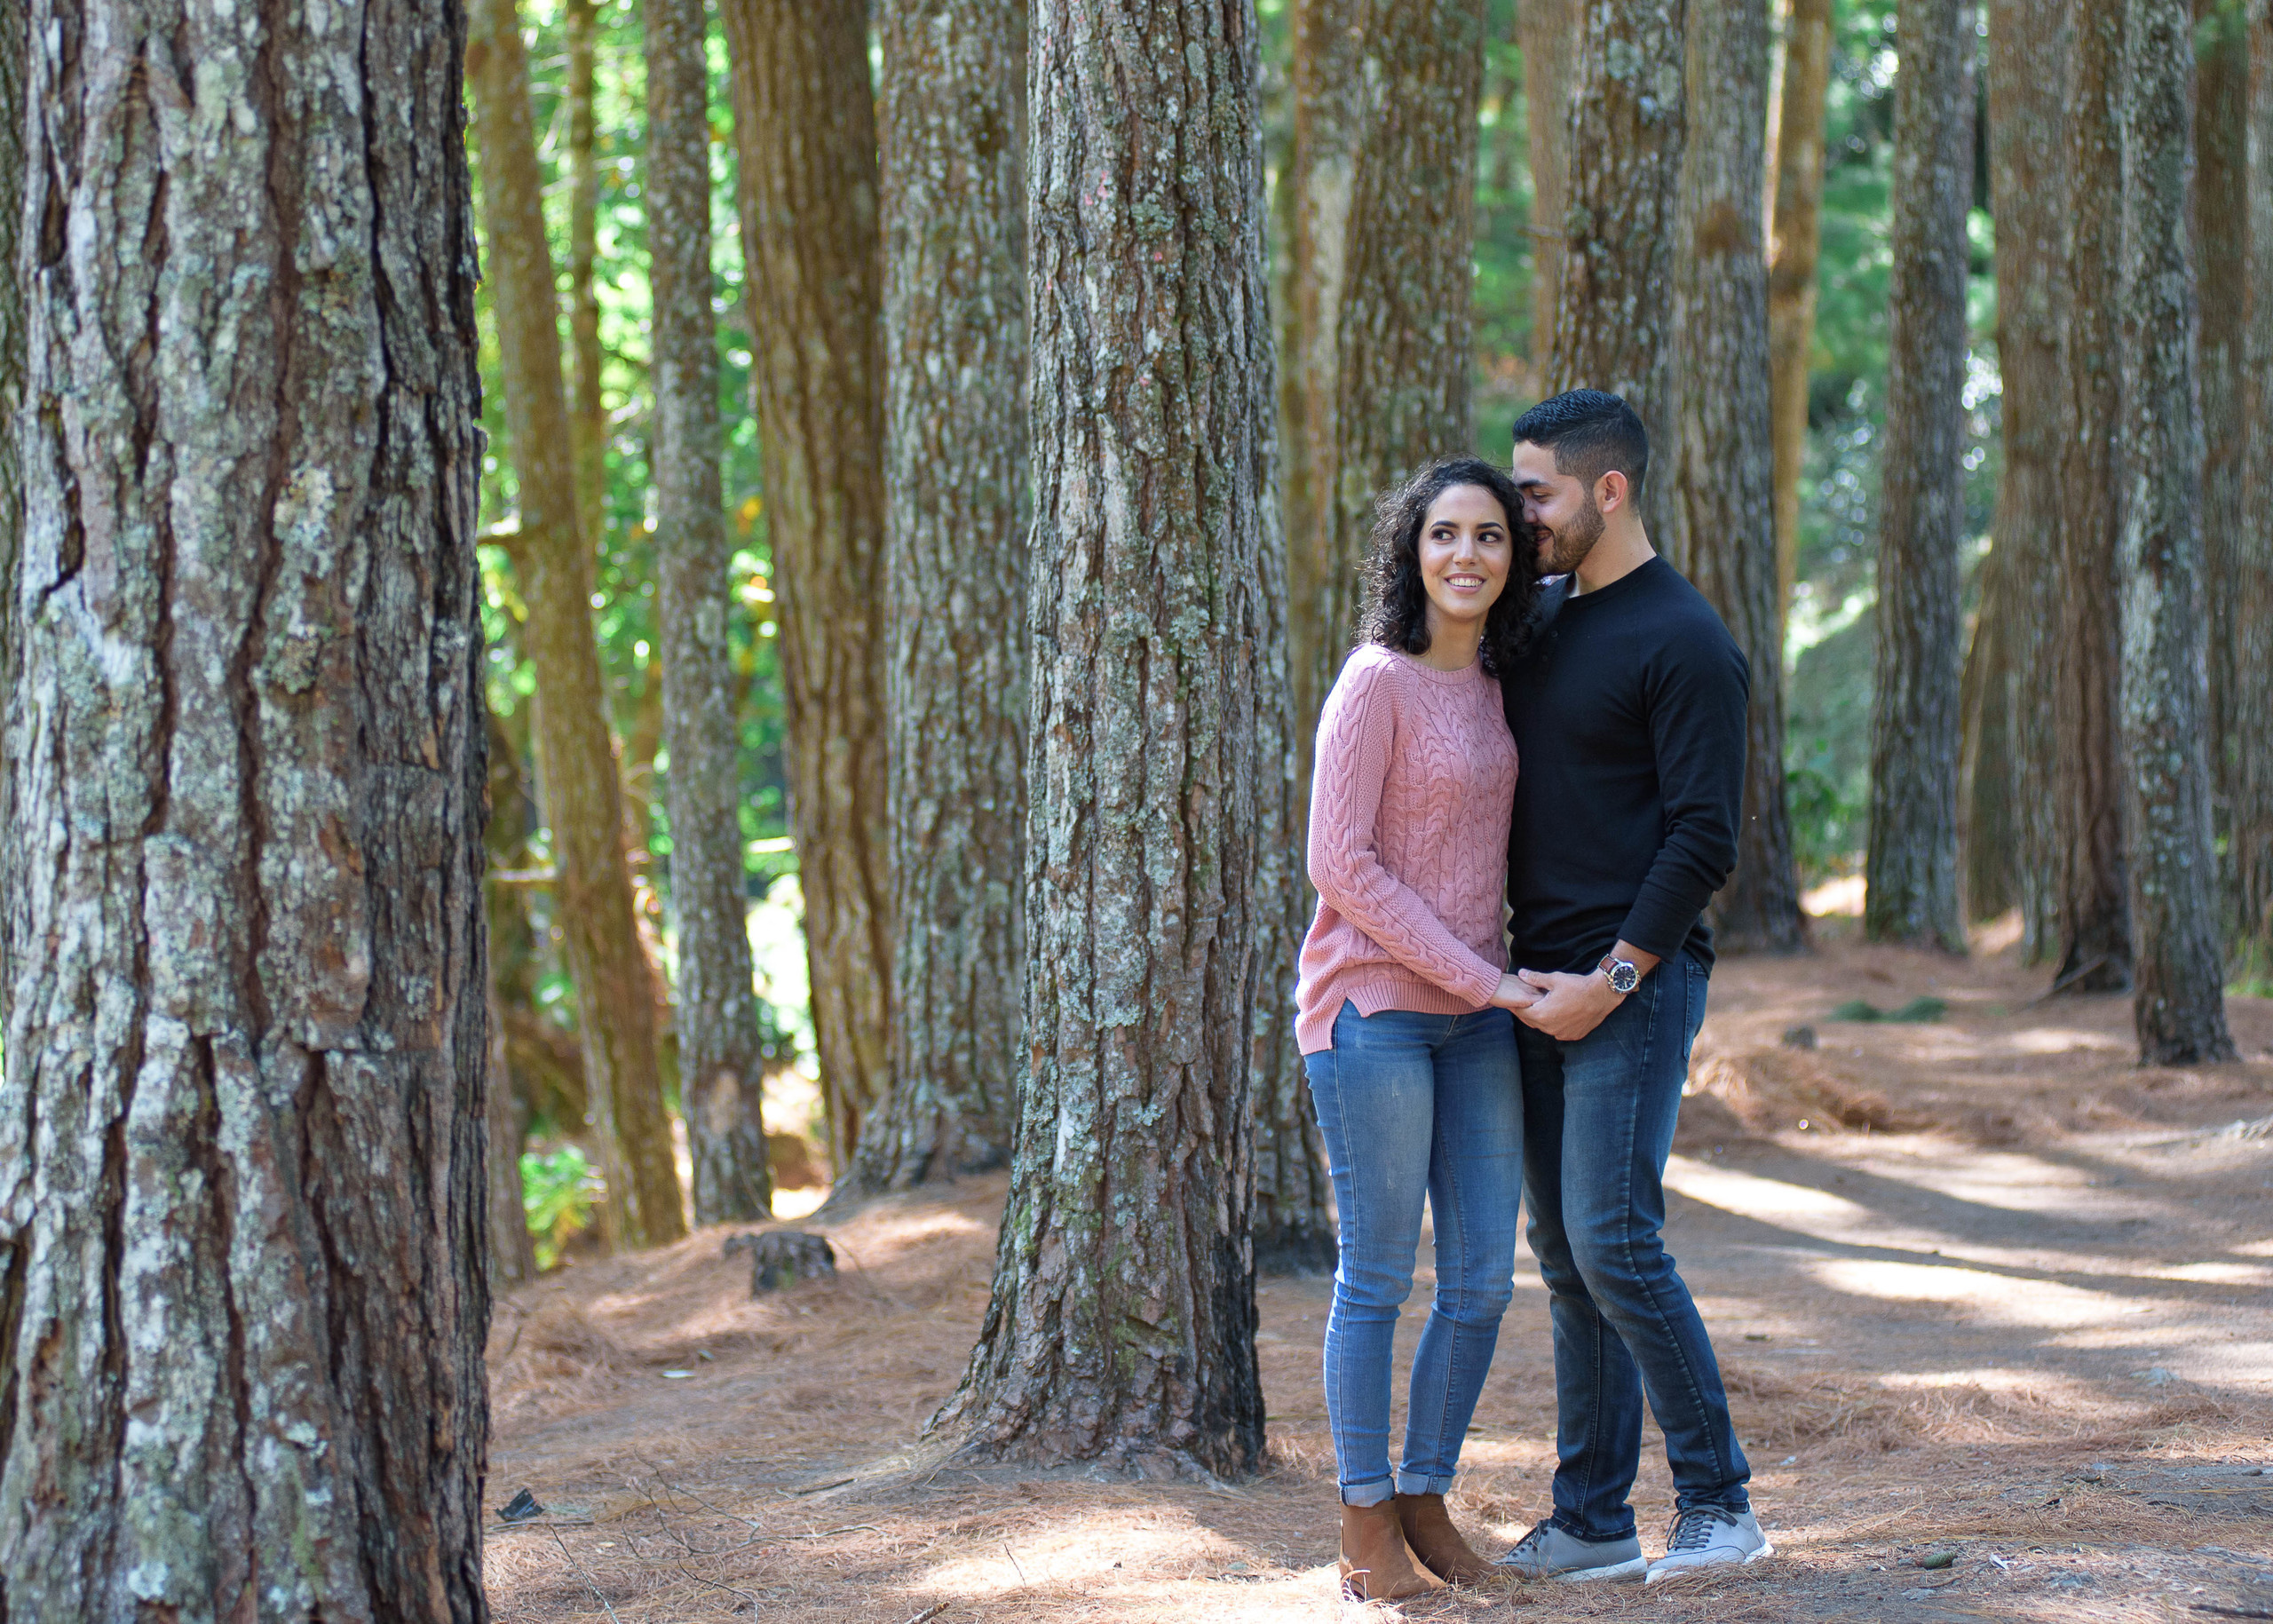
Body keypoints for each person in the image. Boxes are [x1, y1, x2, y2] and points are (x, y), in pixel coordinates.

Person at [1491, 389, 1773, 1585]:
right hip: (1532, 981)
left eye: (1539, 490)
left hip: (1630, 985)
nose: (1521, 514)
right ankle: (1593, 1517)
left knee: (1614, 1237)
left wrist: (1611, 979)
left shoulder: (1687, 638)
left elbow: (1705, 837)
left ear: (1609, 490)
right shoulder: (1541, 619)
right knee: (1565, 1252)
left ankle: (1719, 1503)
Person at [1296, 457, 1540, 1601]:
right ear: (1413, 551)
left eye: (1489, 537)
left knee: (1485, 1279)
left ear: (1512, 557)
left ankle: (1425, 1497)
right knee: (1378, 1278)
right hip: (1375, 1015)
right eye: (1444, 535)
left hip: (1477, 1019)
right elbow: (1339, 864)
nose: (1466, 558)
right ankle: (1362, 1531)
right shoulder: (1374, 682)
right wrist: (1482, 978)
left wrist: (1495, 986)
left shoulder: (1502, 684)